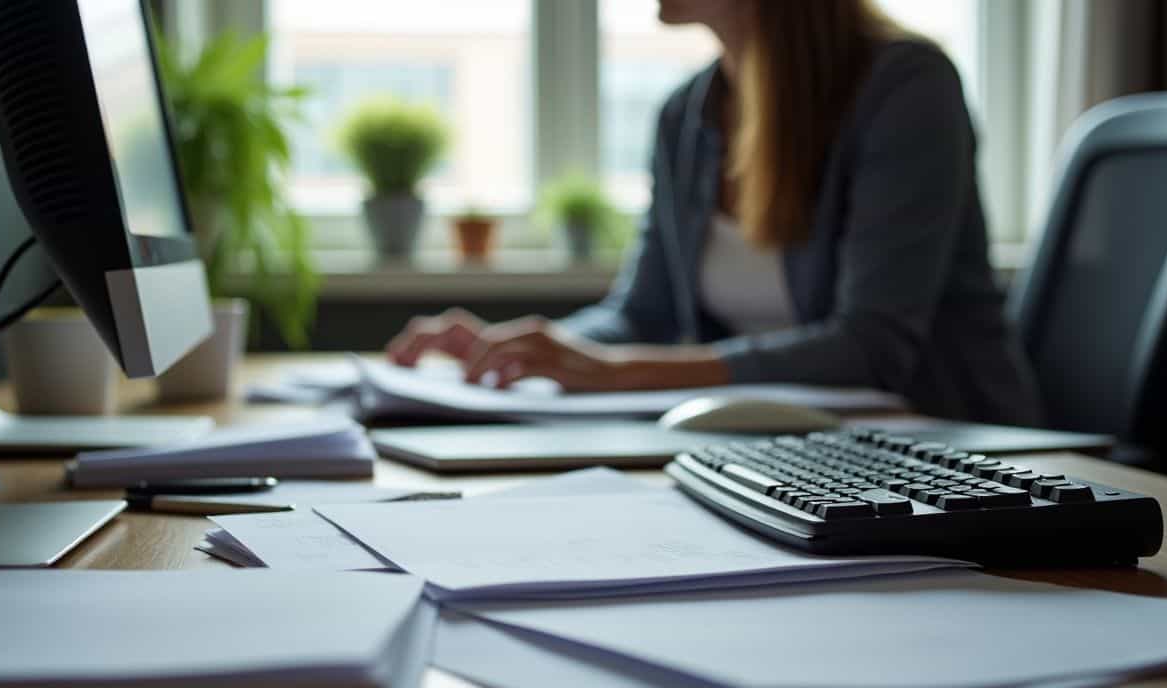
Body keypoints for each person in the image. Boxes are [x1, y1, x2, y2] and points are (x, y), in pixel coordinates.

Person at [386, 0, 1042, 425]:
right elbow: (641, 314)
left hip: (950, 454)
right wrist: (519, 350)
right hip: (776, 450)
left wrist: (618, 371)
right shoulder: (687, 113)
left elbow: (871, 347)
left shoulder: (907, 87)